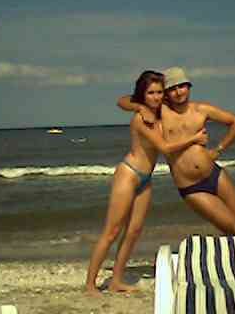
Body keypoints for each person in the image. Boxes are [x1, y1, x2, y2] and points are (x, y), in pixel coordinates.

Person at [85, 70, 208, 295]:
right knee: (112, 231)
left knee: (134, 231)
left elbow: (125, 101)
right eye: (150, 93)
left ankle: (116, 281)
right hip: (129, 174)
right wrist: (194, 139)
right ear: (143, 94)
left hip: (146, 178)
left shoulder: (161, 112)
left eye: (159, 92)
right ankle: (90, 284)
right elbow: (165, 148)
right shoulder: (140, 119)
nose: (156, 97)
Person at [118, 66, 235, 235]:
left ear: (188, 87)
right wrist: (141, 108)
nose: (178, 92)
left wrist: (217, 150)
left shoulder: (201, 109)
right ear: (166, 93)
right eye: (172, 88)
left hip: (216, 176)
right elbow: (122, 100)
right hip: (192, 187)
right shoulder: (162, 111)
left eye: (181, 86)